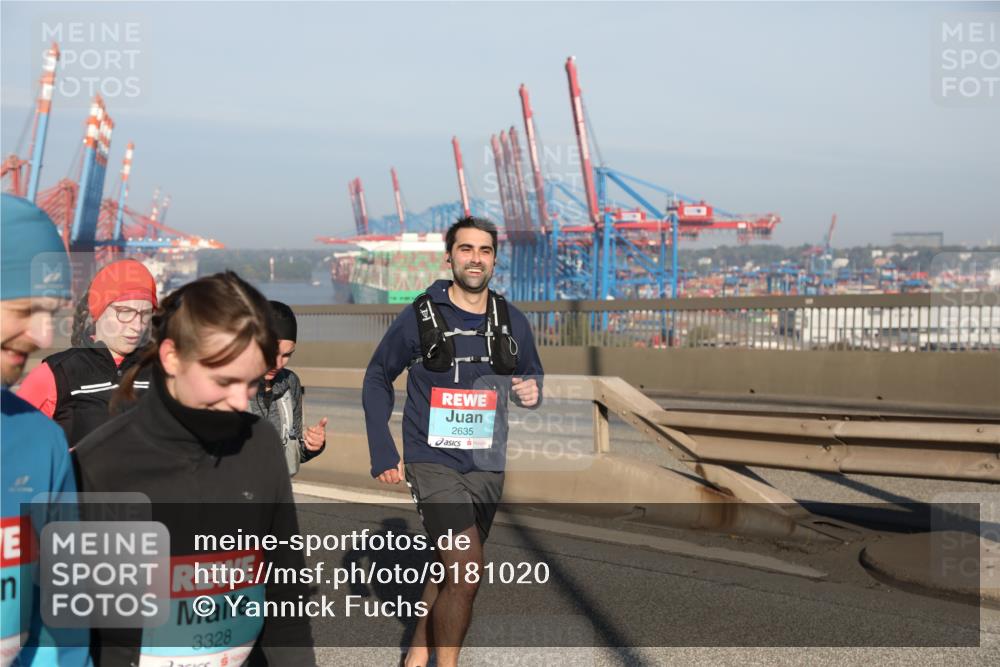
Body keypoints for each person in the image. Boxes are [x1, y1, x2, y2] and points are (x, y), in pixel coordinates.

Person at [73, 271, 315, 666]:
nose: (240, 402)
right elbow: (66, 633)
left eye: (251, 383)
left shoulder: (261, 445)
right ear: (171, 357)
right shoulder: (98, 465)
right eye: (224, 381)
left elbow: (285, 598)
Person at [362, 216, 543, 667]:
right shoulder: (421, 316)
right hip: (432, 458)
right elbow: (377, 377)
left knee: (450, 568)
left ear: (495, 261)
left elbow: (532, 374)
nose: (475, 259)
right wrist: (382, 447)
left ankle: (416, 657)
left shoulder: (511, 319)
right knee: (467, 569)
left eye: (484, 251)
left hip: (486, 462)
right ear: (450, 257)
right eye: (466, 249)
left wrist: (532, 390)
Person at [0, 194, 91, 666]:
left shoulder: (41, 441)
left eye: (52, 313)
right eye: (25, 309)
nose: (43, 337)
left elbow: (60, 627)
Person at [17, 258, 157, 446]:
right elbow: (13, 444)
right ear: (97, 311)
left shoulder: (160, 371)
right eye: (125, 312)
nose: (137, 325)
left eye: (145, 314)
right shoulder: (56, 374)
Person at [248, 300, 326, 476]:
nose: (278, 363)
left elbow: (293, 453)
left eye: (287, 355)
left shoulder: (290, 383)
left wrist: (311, 446)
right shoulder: (225, 385)